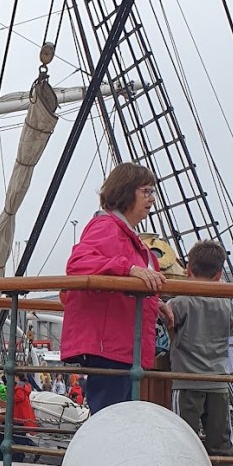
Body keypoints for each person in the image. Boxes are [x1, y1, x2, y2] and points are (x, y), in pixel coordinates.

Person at [60, 163, 173, 414]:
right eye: (145, 191)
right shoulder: (107, 228)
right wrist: (129, 269)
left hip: (120, 346)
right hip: (111, 346)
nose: (152, 198)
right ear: (126, 191)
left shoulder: (127, 235)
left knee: (115, 417)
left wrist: (155, 303)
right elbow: (78, 263)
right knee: (110, 417)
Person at [170, 240, 233, 466]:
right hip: (216, 382)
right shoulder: (225, 301)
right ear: (218, 274)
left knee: (184, 441)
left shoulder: (180, 300)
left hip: (186, 382)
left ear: (188, 269)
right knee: (221, 443)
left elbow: (166, 319)